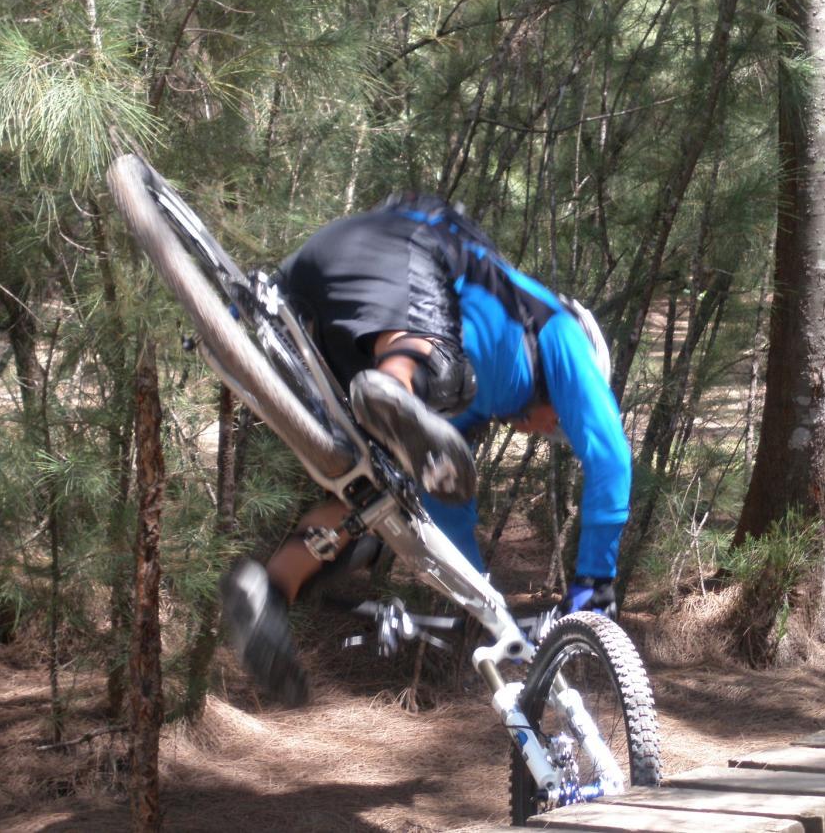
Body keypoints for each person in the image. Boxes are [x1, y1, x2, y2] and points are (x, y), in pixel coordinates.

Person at [221, 194, 631, 703]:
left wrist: (484, 605)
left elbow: (444, 521)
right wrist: (596, 582)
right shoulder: (558, 330)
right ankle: (395, 380)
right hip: (396, 251)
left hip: (319, 305)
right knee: (445, 378)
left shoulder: (459, 425)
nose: (545, 432)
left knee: (378, 497)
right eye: (556, 428)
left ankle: (273, 586)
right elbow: (610, 456)